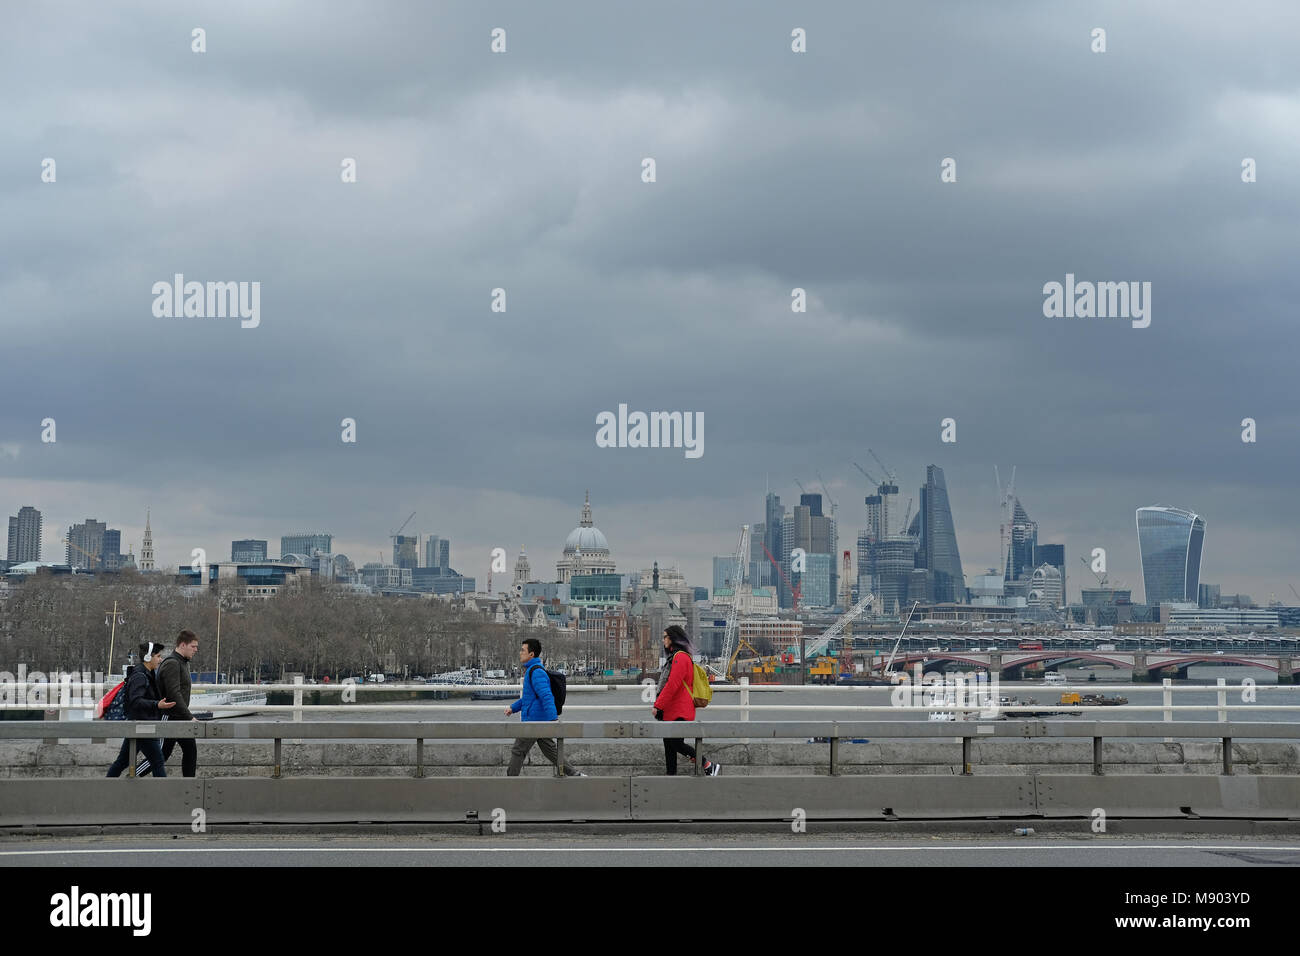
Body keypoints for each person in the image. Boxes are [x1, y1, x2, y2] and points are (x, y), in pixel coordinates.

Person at [503, 638, 584, 777]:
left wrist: (553, 720)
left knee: (518, 750)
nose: (520, 652)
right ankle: (575, 774)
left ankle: (510, 783)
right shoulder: (532, 670)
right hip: (539, 720)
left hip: (534, 722)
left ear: (531, 654)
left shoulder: (536, 672)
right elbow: (529, 698)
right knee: (551, 752)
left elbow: (546, 695)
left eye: (523, 650)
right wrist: (513, 707)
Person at [654, 625, 720, 776]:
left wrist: (658, 705)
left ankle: (707, 764)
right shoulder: (675, 657)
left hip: (679, 710)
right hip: (672, 710)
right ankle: (671, 776)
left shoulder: (680, 657)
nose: (663, 640)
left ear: (672, 639)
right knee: (669, 745)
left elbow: (673, 684)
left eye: (665, 637)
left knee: (675, 743)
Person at [106, 642, 176, 778]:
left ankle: (105, 788)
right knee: (157, 761)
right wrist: (157, 705)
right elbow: (136, 701)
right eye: (158, 656)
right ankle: (163, 796)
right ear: (149, 657)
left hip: (139, 723)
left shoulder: (145, 673)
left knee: (122, 761)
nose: (160, 660)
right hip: (143, 725)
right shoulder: (140, 676)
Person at [159, 630, 199, 776]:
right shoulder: (173, 663)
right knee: (160, 756)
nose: (196, 650)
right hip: (170, 717)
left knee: (190, 752)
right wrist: (189, 716)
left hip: (179, 717)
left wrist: (186, 716)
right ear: (183, 645)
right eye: (193, 646)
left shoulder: (182, 663)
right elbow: (174, 693)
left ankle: (188, 786)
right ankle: (132, 778)